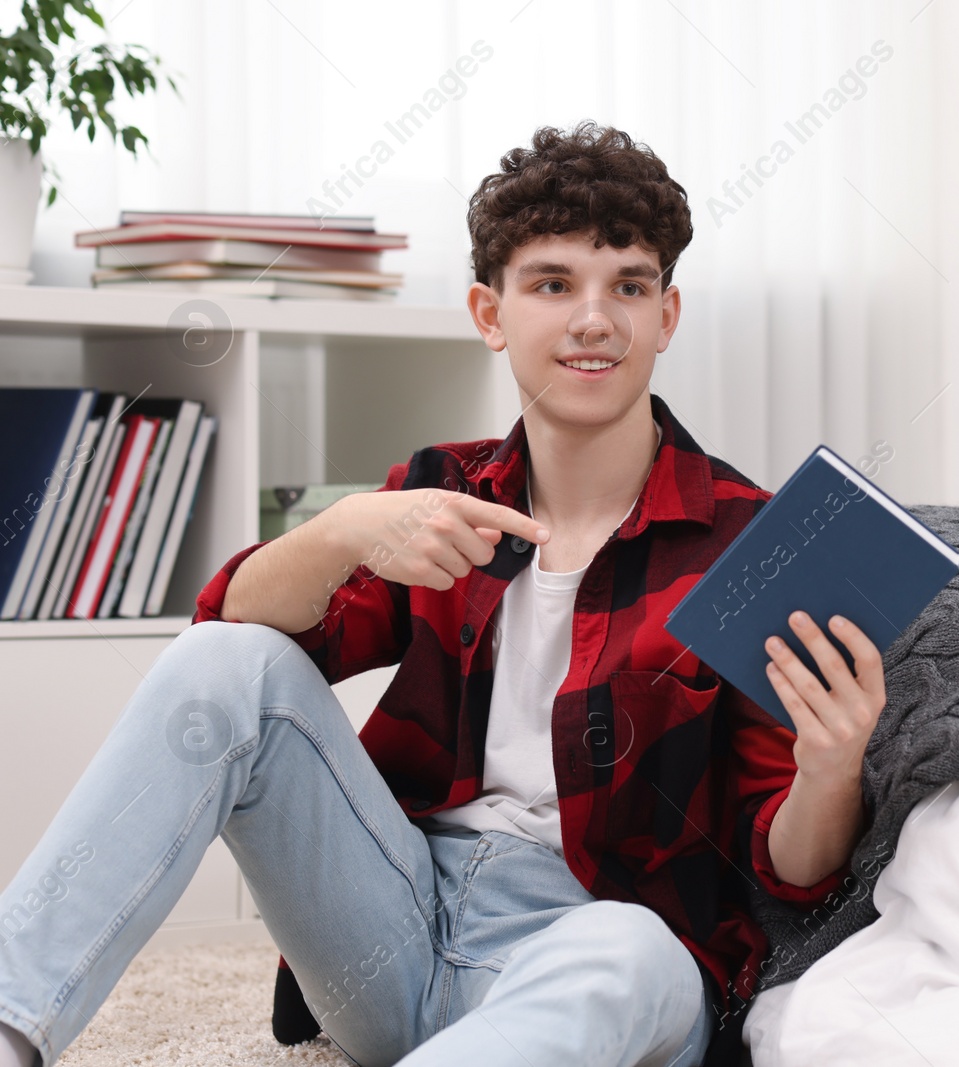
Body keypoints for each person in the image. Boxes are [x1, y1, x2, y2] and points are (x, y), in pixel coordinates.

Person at [0, 121, 887, 1067]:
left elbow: (789, 874)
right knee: (231, 658)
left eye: (627, 285)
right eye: (552, 284)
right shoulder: (443, 493)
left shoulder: (751, 539)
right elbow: (228, 638)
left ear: (666, 317)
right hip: (392, 923)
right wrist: (343, 529)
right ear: (489, 312)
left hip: (593, 948)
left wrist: (832, 768)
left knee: (640, 952)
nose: (594, 319)